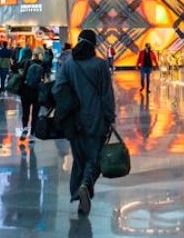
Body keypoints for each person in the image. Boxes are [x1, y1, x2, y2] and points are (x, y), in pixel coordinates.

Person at [54, 29, 115, 216]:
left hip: (73, 120)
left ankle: (79, 196)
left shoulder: (68, 65)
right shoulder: (100, 65)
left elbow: (57, 90)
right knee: (94, 158)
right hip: (95, 118)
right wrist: (109, 116)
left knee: (79, 159)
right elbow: (107, 95)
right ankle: (86, 185)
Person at [18, 47, 47, 145]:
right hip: (37, 92)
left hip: (26, 91)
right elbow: (45, 78)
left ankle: (25, 128)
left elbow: (23, 76)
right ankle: (33, 132)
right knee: (35, 113)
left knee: (25, 111)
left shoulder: (28, 62)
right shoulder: (43, 64)